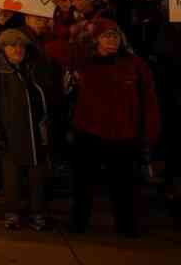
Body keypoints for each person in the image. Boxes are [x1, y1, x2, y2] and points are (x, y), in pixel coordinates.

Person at [68, 18, 160, 237]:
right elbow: (68, 51)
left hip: (124, 134)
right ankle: (78, 223)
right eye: (106, 36)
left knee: (124, 186)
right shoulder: (84, 62)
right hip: (89, 132)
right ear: (95, 40)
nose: (111, 40)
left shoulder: (135, 64)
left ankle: (126, 226)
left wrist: (150, 131)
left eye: (115, 36)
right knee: (83, 184)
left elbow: (148, 99)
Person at [0, 29, 52, 231]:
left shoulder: (33, 68)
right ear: (3, 49)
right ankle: (12, 213)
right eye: (12, 45)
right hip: (9, 133)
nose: (18, 49)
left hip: (36, 132)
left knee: (37, 176)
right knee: (12, 177)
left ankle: (38, 213)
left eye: (21, 45)